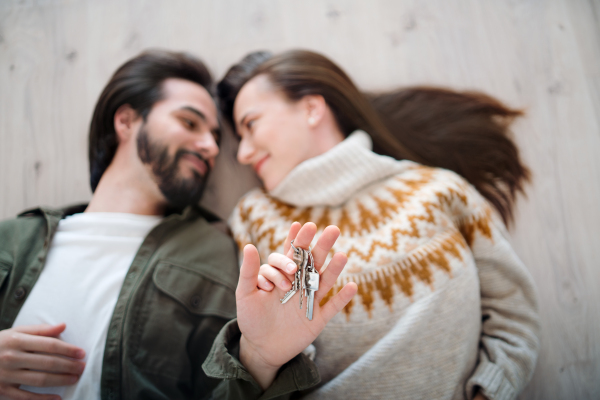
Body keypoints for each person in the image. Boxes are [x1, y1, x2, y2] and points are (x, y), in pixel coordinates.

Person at [0, 50, 357, 400]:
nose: (210, 148)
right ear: (125, 121)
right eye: (189, 122)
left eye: (216, 138)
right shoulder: (11, 240)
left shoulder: (215, 250)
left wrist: (259, 360)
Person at [218, 49, 541, 400]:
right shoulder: (253, 216)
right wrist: (261, 356)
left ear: (312, 108)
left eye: (250, 125)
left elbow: (514, 316)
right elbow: (259, 371)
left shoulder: (439, 189)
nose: (243, 154)